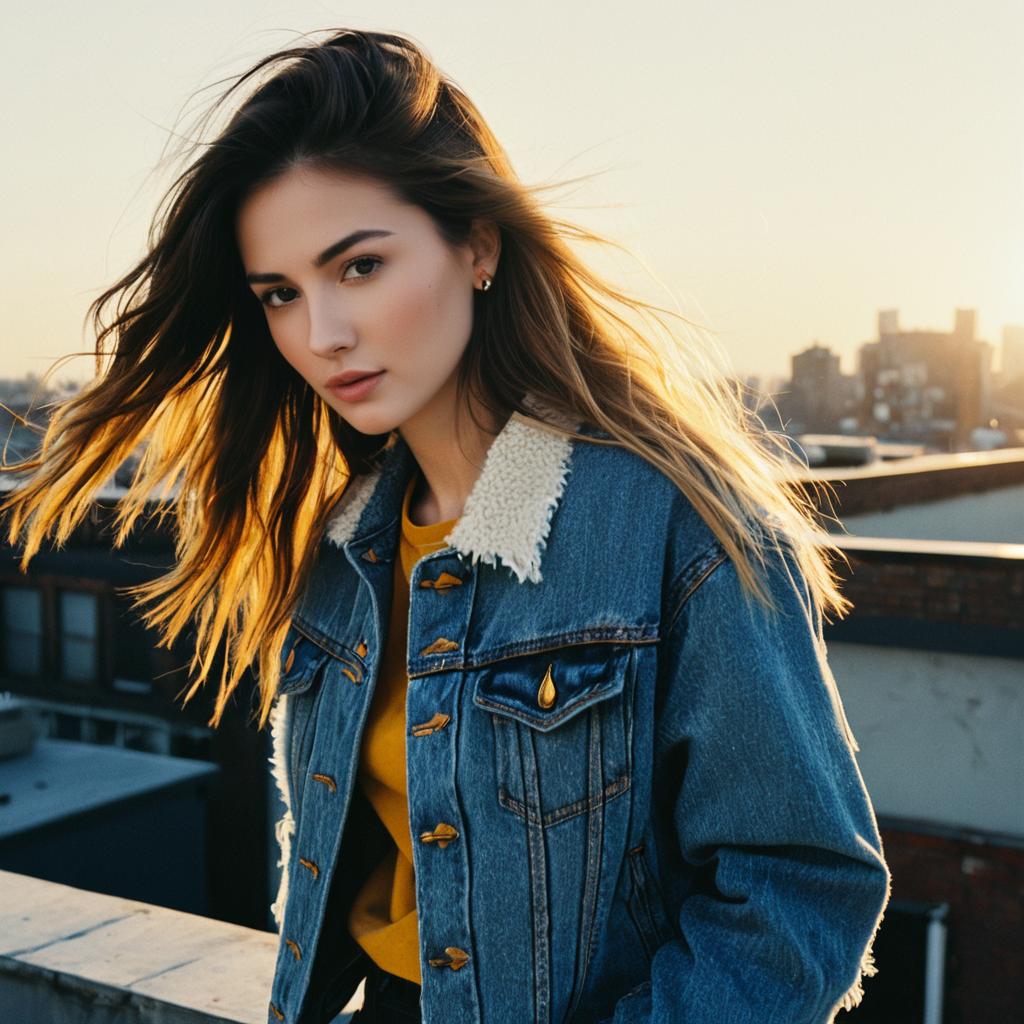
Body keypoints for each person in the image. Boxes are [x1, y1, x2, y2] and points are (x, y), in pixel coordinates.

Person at [1, 28, 890, 1024]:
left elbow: (799, 890)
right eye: (281, 295)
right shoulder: (342, 545)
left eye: (361, 268)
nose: (322, 335)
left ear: (477, 242)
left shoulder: (671, 527)